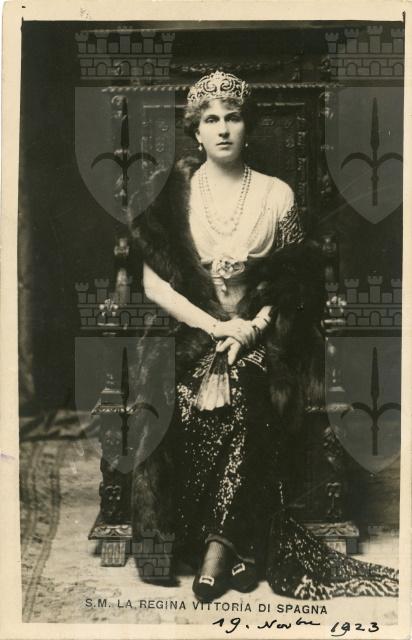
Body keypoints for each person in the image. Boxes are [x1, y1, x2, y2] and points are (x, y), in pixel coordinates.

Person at [130, 70, 398, 602]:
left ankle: (219, 548)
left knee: (251, 393)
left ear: (247, 127)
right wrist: (214, 326)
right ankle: (236, 548)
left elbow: (295, 280)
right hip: (194, 330)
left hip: (265, 333)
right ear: (196, 131)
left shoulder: (277, 194)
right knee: (182, 399)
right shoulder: (174, 195)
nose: (223, 128)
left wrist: (251, 330)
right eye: (211, 120)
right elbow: (153, 284)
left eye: (232, 118)